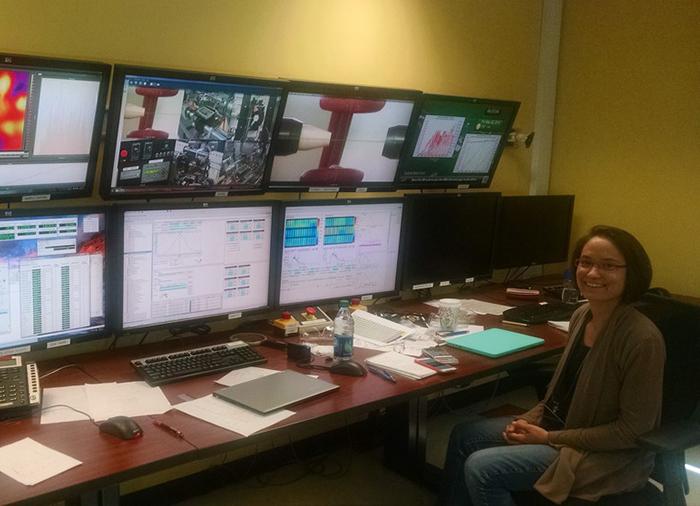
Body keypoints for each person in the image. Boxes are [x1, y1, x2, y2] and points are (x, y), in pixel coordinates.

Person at [438, 225, 666, 506]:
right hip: (557, 428)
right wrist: (529, 421)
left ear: (631, 273)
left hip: (601, 456)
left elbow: (632, 432)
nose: (592, 273)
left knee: (482, 468)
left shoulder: (642, 339)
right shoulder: (583, 315)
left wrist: (548, 438)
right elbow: (558, 397)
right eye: (586, 262)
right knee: (465, 435)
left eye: (608, 266)